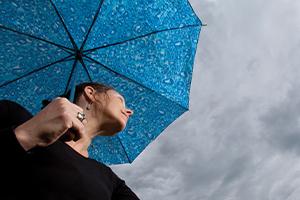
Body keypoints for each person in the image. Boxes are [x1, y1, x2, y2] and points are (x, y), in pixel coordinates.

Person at [0, 82, 140, 200]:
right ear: (91, 93)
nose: (130, 111)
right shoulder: (15, 115)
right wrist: (27, 134)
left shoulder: (109, 178)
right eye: (121, 100)